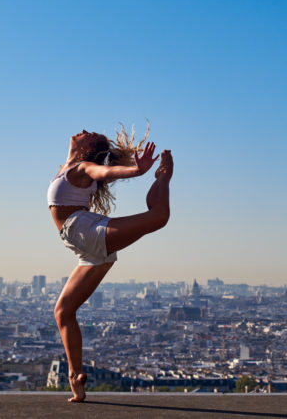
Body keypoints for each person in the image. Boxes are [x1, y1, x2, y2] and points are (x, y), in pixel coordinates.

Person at [46, 127, 173, 402]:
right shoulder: (71, 167)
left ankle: (163, 177)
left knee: (159, 216)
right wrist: (131, 168)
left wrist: (136, 171)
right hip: (85, 246)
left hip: (85, 232)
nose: (81, 130)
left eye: (86, 132)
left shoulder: (82, 168)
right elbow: (105, 172)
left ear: (86, 147)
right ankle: (75, 378)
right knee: (63, 312)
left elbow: (104, 172)